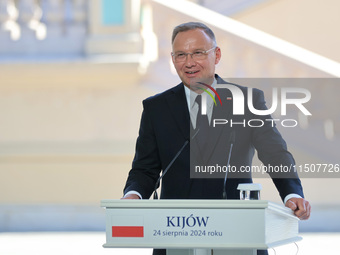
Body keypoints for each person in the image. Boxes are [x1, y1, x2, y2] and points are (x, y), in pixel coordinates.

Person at [122, 22, 311, 255]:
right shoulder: (156, 108)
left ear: (216, 55)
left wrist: (292, 193)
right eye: (181, 55)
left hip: (238, 233)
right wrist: (133, 194)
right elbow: (144, 168)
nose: (189, 62)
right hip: (176, 234)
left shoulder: (248, 101)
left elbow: (275, 154)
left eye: (198, 53)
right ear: (172, 59)